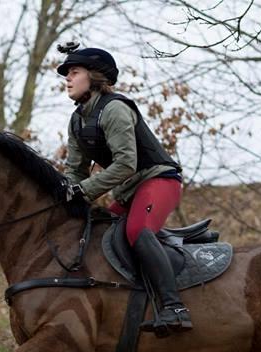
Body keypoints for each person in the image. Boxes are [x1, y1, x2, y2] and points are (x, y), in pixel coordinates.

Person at [57, 44, 192, 336]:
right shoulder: (77, 120)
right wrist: (63, 194)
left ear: (93, 77)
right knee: (101, 231)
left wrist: (84, 190)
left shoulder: (115, 109)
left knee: (136, 232)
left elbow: (126, 164)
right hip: (131, 191)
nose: (67, 78)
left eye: (74, 72)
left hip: (159, 181)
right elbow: (76, 171)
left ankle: (174, 308)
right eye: (66, 73)